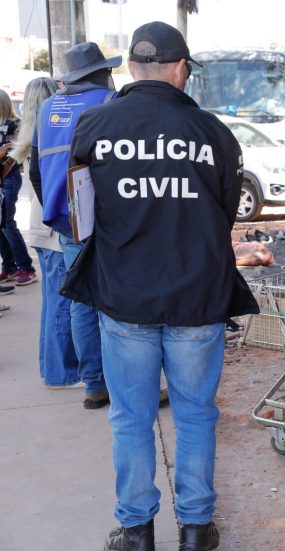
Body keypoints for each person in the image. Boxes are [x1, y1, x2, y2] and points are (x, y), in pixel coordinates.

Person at [62, 21, 258, 551]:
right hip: (197, 300)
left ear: (129, 68)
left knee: (131, 419)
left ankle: (137, 538)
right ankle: (195, 535)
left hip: (125, 300)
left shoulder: (94, 127)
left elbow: (79, 216)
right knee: (196, 415)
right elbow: (222, 220)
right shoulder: (215, 134)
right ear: (180, 69)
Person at [31, 42, 121, 408]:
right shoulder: (111, 103)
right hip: (109, 219)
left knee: (82, 301)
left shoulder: (47, 109)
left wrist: (57, 210)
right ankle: (122, 386)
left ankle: (94, 386)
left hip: (67, 221)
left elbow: (36, 171)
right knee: (116, 302)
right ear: (102, 72)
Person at [11, 76, 82, 387]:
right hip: (51, 229)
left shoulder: (28, 136)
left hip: (41, 228)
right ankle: (61, 372)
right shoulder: (48, 134)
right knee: (60, 304)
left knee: (53, 303)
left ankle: (54, 368)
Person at [0, 89, 38, 286]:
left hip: (9, 176)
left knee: (7, 223)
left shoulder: (14, 125)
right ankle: (9, 266)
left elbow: (13, 155)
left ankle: (26, 267)